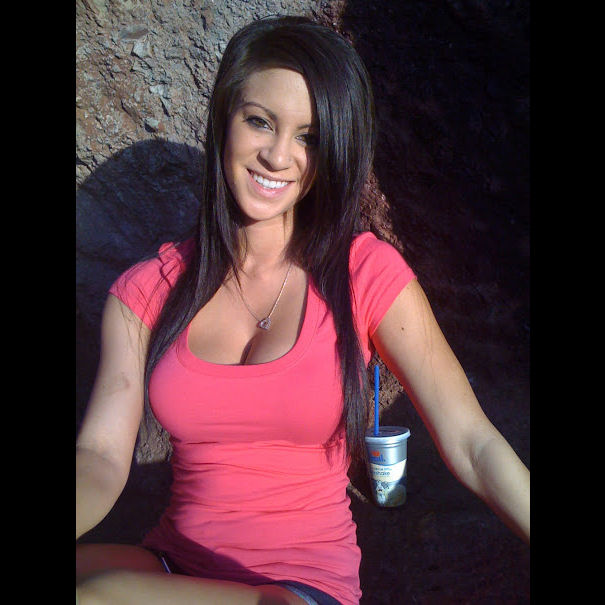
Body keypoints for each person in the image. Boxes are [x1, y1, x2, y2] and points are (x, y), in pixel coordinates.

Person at [76, 15, 529, 605]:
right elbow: (100, 456)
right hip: (171, 568)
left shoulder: (364, 273)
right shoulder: (147, 291)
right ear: (225, 119)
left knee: (103, 594)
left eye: (309, 137)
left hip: (299, 590)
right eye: (259, 121)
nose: (277, 156)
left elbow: (472, 442)